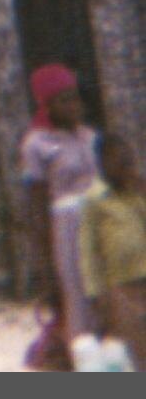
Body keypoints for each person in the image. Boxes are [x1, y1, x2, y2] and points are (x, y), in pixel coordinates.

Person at [20, 64, 102, 363]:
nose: (74, 106)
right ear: (47, 105)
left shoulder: (90, 137)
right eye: (64, 100)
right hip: (68, 226)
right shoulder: (37, 144)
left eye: (75, 98)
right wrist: (44, 260)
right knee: (76, 292)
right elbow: (37, 203)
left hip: (100, 219)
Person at [79, 129, 146, 368]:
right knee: (134, 341)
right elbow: (88, 252)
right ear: (102, 163)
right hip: (119, 284)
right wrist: (95, 293)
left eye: (130, 162)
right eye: (121, 162)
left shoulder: (135, 194)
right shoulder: (95, 200)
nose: (127, 167)